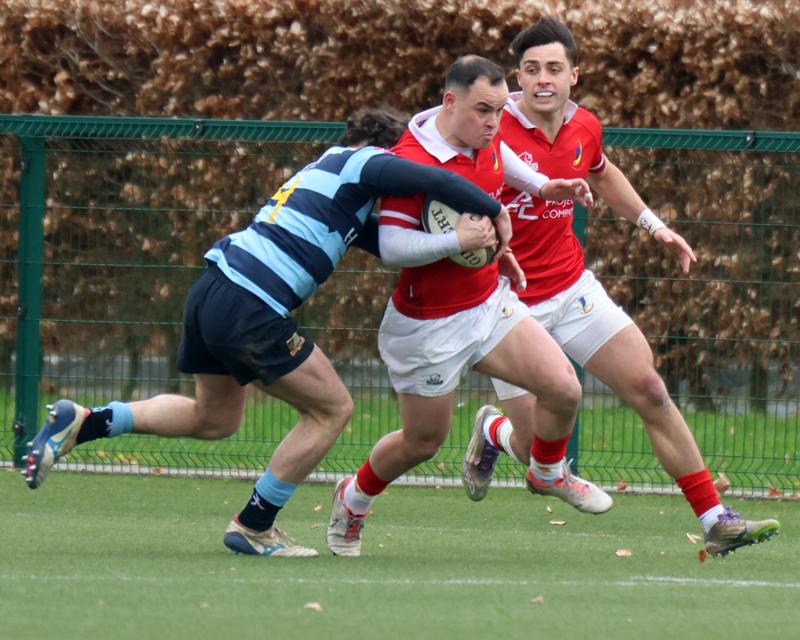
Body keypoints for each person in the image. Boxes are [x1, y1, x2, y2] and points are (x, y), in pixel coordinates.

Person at [22, 106, 526, 558]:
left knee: (213, 417)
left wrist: (484, 257)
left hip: (214, 287)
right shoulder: (362, 160)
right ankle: (254, 525)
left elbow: (407, 248)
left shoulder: (334, 186)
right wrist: (494, 208)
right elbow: (430, 177)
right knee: (332, 409)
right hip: (251, 302)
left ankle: (86, 421)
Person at [461, 18, 781, 558]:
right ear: (517, 77)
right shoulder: (490, 127)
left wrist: (655, 226)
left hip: (571, 288)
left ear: (574, 75)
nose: (543, 80)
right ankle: (493, 432)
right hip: (507, 305)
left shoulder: (585, 125)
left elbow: (603, 172)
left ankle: (716, 520)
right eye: (532, 69)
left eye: (554, 69)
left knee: (650, 389)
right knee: (535, 450)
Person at [326, 55, 600, 557]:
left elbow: (500, 159)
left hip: (489, 303)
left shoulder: (484, 134)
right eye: (483, 111)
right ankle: (354, 496)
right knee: (422, 442)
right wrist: (458, 241)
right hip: (427, 325)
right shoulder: (411, 160)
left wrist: (540, 186)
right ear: (449, 102)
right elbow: (392, 246)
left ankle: (546, 472)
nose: (494, 123)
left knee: (564, 388)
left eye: (498, 110)